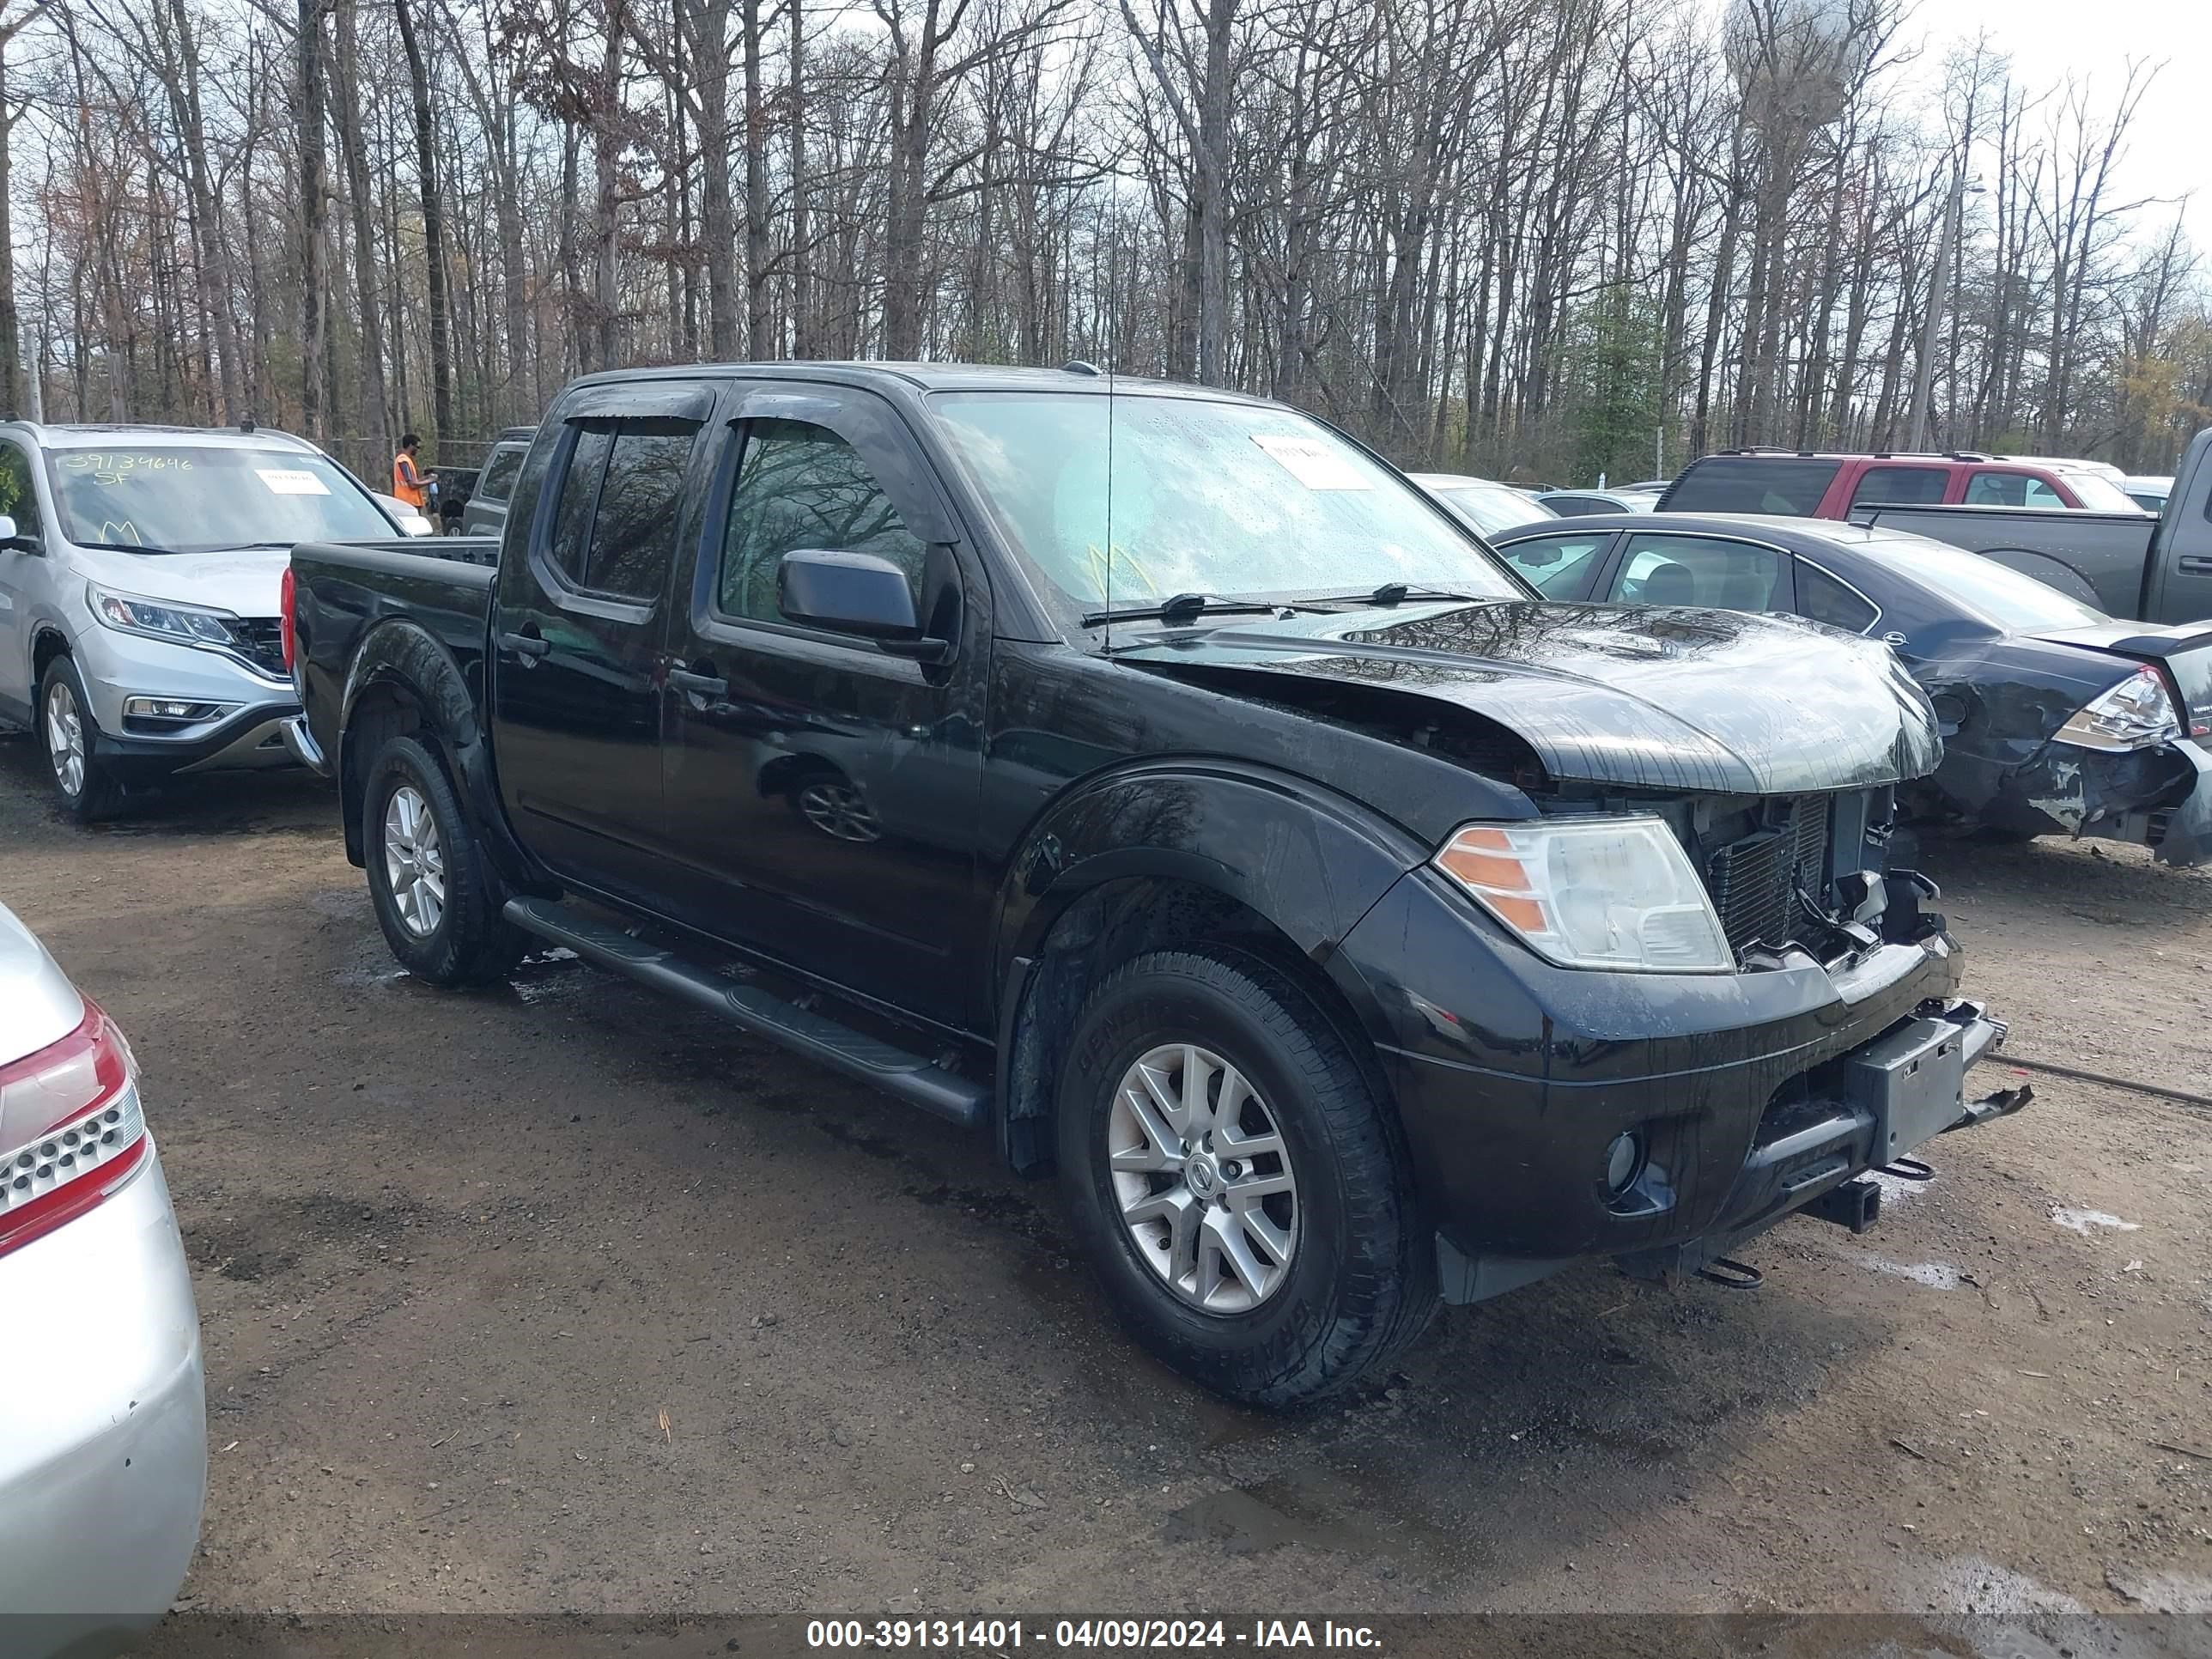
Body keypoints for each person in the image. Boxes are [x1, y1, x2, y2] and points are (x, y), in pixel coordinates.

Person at [392, 434, 435, 513]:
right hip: (407, 503)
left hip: (408, 502)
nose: (417, 450)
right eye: (417, 447)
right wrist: (430, 480)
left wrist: (426, 477)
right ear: (411, 445)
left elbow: (414, 481)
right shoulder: (403, 461)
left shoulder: (407, 460)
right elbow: (412, 485)